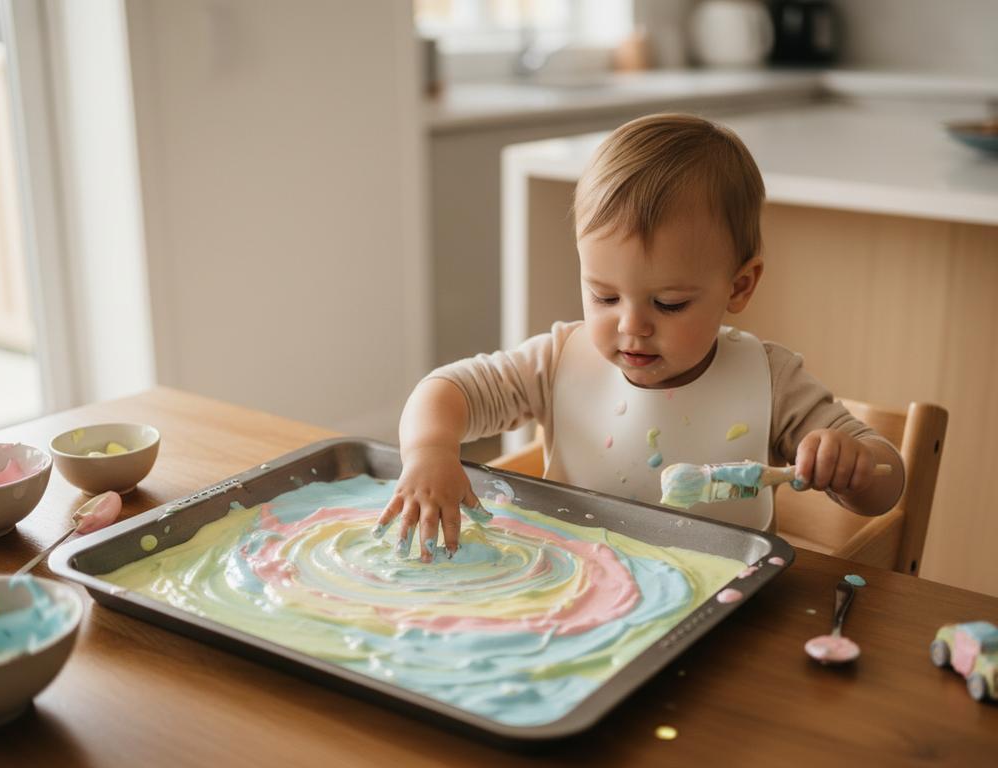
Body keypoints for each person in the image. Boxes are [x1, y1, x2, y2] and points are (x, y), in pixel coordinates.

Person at [375, 113, 904, 562]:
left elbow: (886, 477)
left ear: (739, 286)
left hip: (719, 607)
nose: (632, 325)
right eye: (605, 297)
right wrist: (428, 451)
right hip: (576, 590)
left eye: (669, 303)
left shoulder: (771, 379)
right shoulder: (558, 361)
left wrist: (852, 468)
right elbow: (447, 389)